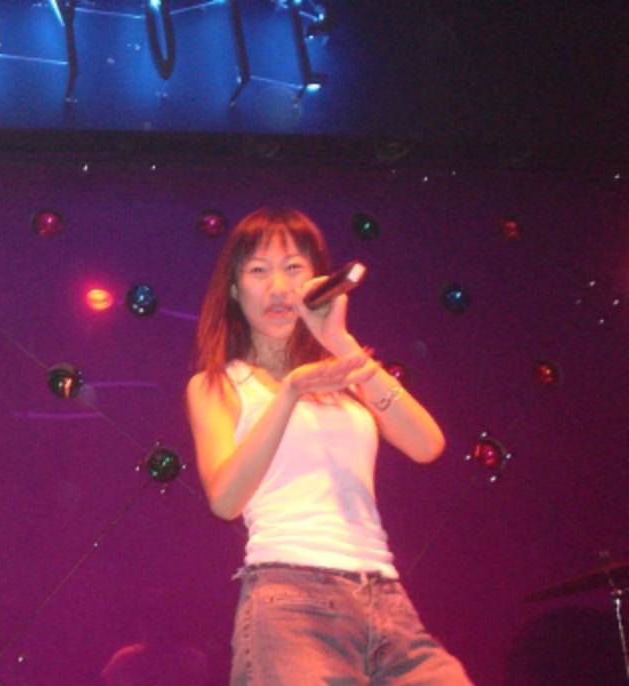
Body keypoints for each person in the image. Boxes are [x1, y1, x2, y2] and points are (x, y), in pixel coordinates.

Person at [185, 207, 472, 685]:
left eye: (293, 268)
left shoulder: (344, 374)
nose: (279, 287)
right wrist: (290, 392)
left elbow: (427, 444)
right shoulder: (219, 384)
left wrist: (339, 341)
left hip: (385, 598)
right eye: (259, 270)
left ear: (318, 282)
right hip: (292, 598)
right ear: (234, 290)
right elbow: (225, 499)